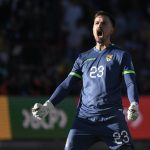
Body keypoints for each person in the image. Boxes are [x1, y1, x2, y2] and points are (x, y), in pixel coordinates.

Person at [32, 11, 140, 150]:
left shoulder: (121, 55)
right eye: (96, 23)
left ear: (112, 29)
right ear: (92, 29)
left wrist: (134, 104)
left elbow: (130, 82)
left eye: (104, 23)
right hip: (84, 121)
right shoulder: (83, 58)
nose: (99, 25)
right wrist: (48, 106)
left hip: (112, 119)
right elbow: (66, 85)